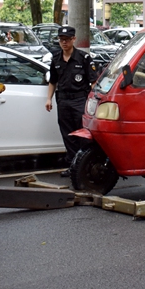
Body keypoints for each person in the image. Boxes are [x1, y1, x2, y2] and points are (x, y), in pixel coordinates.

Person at [45, 26, 99, 177]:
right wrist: (48, 99)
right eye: (61, 39)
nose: (64, 42)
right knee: (67, 134)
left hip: (80, 100)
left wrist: (93, 101)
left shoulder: (83, 58)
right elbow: (53, 81)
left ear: (74, 39)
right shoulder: (56, 58)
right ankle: (73, 166)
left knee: (82, 134)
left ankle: (85, 166)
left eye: (67, 39)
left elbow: (93, 82)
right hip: (63, 100)